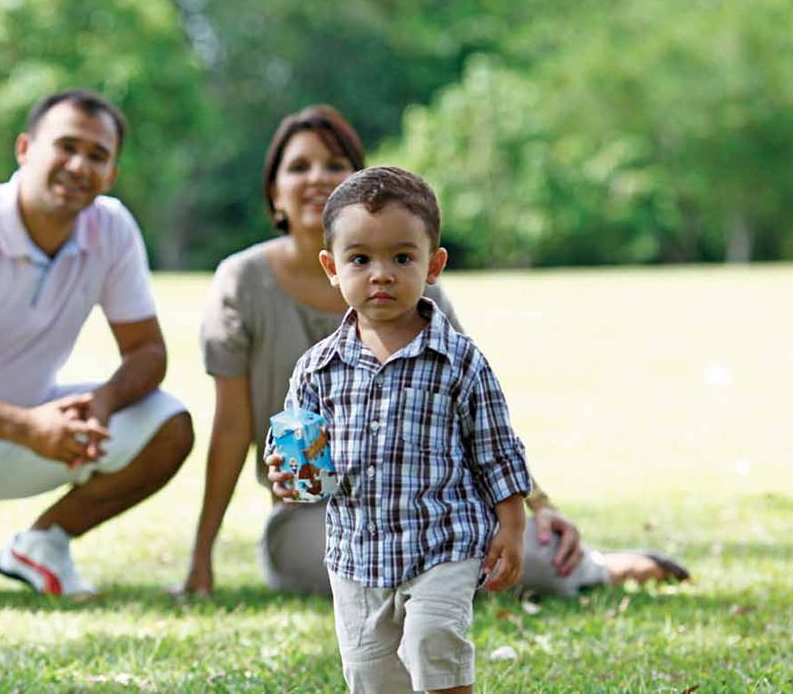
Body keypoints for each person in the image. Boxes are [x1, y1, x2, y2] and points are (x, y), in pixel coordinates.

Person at [182, 104, 688, 599]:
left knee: (521, 554)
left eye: (335, 165)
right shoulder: (242, 281)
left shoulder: (412, 281)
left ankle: (598, 570)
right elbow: (231, 426)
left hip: (429, 502)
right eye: (299, 166)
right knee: (365, 566)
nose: (317, 178)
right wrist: (202, 555)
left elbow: (473, 411)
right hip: (318, 513)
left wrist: (541, 505)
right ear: (274, 193)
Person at [0, 89, 194, 608]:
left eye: (97, 155)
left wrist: (101, 406)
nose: (78, 165)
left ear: (111, 173)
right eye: (65, 146)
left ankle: (43, 544)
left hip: (38, 425)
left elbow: (148, 352)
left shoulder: (112, 228)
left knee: (169, 424)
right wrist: (27, 427)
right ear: (25, 149)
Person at [269, 165, 531, 693]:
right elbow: (306, 470)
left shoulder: (458, 360)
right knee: (372, 676)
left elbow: (496, 448)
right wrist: (290, 477)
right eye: (360, 259)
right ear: (332, 268)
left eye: (402, 258)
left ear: (433, 264)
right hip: (357, 552)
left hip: (443, 541)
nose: (381, 274)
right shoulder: (316, 370)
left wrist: (512, 526)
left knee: (436, 641)